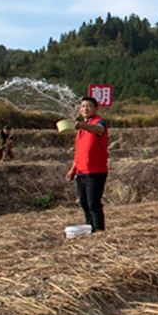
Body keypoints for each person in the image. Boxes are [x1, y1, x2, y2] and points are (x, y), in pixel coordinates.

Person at [65, 97, 109, 232]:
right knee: (84, 203)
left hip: (95, 171)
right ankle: (90, 228)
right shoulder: (81, 130)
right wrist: (73, 169)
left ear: (96, 109)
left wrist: (82, 125)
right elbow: (80, 151)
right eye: (83, 106)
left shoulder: (98, 123)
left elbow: (97, 129)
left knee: (93, 203)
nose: (85, 109)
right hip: (81, 172)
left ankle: (99, 230)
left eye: (89, 106)